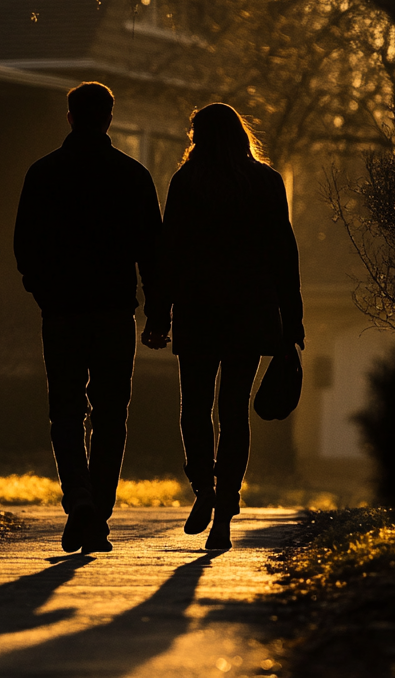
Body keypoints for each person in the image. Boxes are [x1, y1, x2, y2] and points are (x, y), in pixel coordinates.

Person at [14, 82, 165, 553]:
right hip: (114, 310)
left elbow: (25, 246)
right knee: (111, 413)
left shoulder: (44, 174)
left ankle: (78, 495)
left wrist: (42, 291)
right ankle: (97, 512)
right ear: (109, 119)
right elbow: (153, 254)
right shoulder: (133, 176)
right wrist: (159, 314)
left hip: (62, 310)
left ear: (70, 117)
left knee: (65, 409)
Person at [144, 103, 304, 550]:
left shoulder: (187, 182)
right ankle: (226, 504)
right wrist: (292, 321)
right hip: (250, 311)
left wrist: (158, 315)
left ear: (199, 137)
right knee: (233, 409)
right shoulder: (267, 183)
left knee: (194, 406)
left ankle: (204, 489)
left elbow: (168, 252)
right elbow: (283, 255)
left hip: (197, 309)